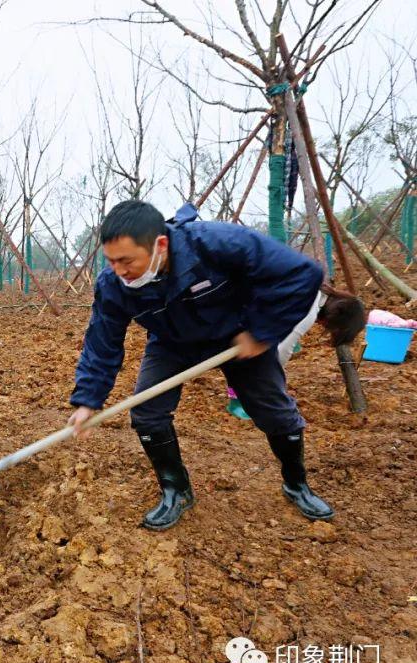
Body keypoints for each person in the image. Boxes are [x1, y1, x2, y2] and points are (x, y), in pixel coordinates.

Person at [68, 200, 336, 531]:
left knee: (275, 412)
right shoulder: (113, 285)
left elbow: (301, 274)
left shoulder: (217, 243)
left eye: (127, 261)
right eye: (111, 261)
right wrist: (87, 400)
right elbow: (102, 340)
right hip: (172, 342)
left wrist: (261, 332)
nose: (119, 271)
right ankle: (176, 491)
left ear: (160, 246)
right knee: (147, 413)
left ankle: (297, 484)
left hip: (237, 337)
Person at [226, 284, 365, 419]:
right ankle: (240, 401)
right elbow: (283, 350)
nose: (323, 327)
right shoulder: (309, 310)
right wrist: (271, 378)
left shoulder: (313, 289)